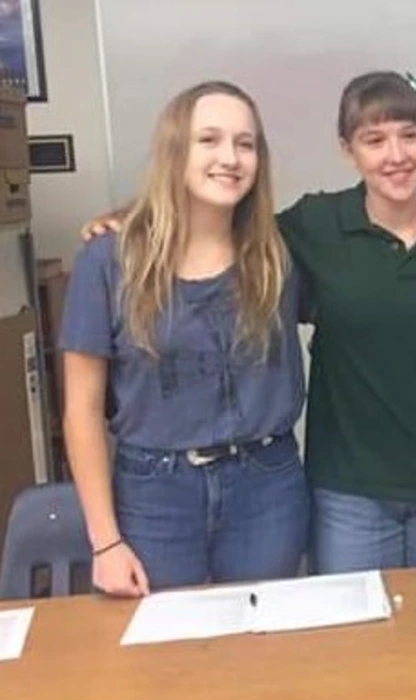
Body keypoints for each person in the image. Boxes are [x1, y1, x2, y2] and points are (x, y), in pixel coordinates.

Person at [81, 72, 416, 572]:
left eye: (410, 135)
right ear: (348, 149)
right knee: (346, 634)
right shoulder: (311, 227)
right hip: (347, 485)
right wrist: (132, 216)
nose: (396, 154)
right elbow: (217, 217)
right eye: (374, 140)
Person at [61, 81, 308, 596]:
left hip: (265, 486)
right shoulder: (110, 259)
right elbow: (81, 410)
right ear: (176, 150)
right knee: (164, 659)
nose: (230, 157)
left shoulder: (277, 254)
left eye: (245, 144)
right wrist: (105, 543)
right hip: (156, 492)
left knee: (264, 648)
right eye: (209, 140)